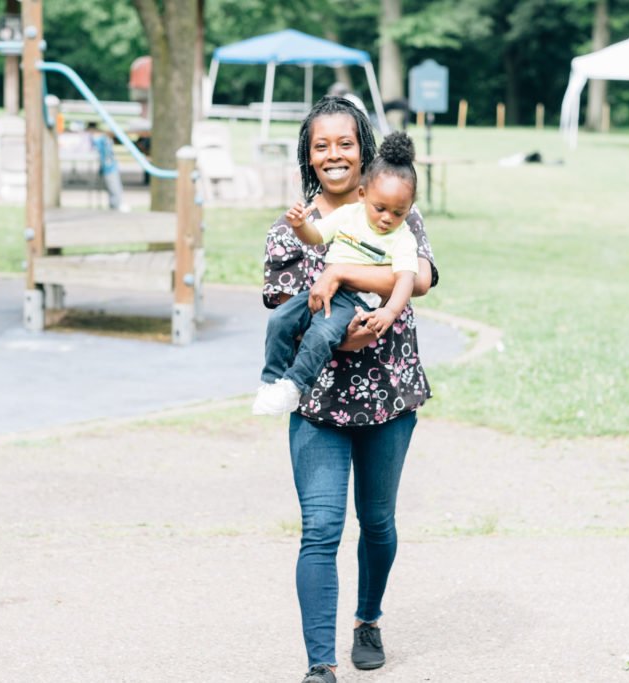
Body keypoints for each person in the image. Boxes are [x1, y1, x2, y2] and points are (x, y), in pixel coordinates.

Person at [262, 96, 437, 683]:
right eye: (321, 145)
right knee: (320, 527)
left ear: (363, 148)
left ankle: (367, 619)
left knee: (379, 521)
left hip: (389, 396)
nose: (334, 154)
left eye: (345, 143)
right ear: (308, 157)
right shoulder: (290, 232)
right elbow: (287, 308)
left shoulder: (394, 206)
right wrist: (344, 331)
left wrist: (340, 274)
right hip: (317, 403)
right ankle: (320, 665)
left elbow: (424, 277)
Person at [253, 131, 420, 416]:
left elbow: (407, 278)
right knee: (280, 319)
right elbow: (316, 236)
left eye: (398, 212)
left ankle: (293, 386)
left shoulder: (403, 237)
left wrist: (389, 312)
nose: (386, 218)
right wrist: (299, 225)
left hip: (355, 301)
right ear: (363, 194)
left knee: (321, 334)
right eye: (380, 208)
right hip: (321, 292)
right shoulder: (349, 215)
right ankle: (271, 382)